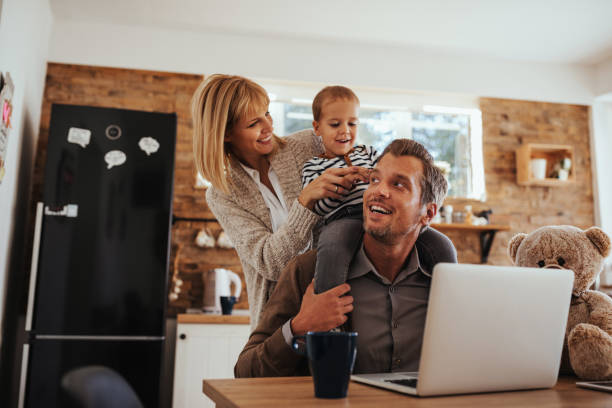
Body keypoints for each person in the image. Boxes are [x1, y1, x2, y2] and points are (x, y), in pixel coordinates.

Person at [234, 138, 456, 377]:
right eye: (375, 179)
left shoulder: (442, 283)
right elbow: (246, 371)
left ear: (428, 213)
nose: (379, 191)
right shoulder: (307, 272)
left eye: (399, 185)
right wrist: (299, 326)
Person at [192, 74, 370, 328]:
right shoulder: (222, 195)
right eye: (254, 122)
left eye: (267, 113)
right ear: (227, 133)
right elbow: (270, 263)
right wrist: (305, 201)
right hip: (280, 320)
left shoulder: (310, 143)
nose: (268, 126)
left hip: (339, 305)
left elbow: (361, 176)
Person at [301, 85, 379, 294]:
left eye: (352, 123)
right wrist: (342, 188)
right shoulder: (313, 166)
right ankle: (326, 305)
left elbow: (386, 178)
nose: (345, 130)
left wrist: (372, 176)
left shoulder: (368, 153)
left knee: (434, 241)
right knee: (332, 245)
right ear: (317, 128)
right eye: (335, 124)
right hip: (341, 220)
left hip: (377, 214)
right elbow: (318, 208)